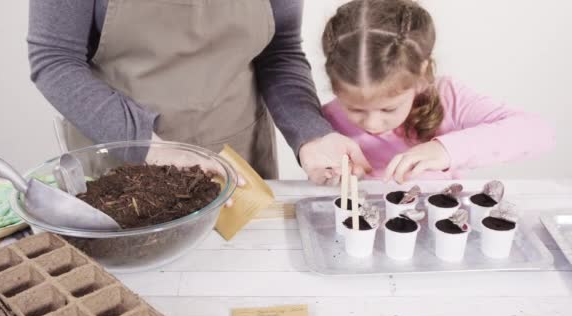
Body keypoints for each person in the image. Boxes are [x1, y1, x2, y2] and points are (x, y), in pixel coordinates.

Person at [27, 0, 371, 186]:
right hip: (121, 163)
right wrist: (148, 146)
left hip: (237, 156)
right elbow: (55, 61)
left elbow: (278, 52)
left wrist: (311, 134)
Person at [321, 0, 555, 184]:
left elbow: (539, 132)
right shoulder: (323, 122)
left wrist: (446, 150)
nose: (372, 123)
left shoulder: (449, 98)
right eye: (355, 108)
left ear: (421, 76)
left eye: (389, 108)